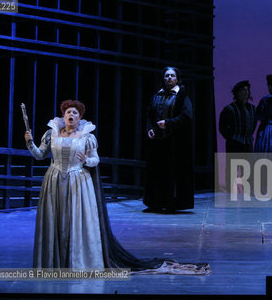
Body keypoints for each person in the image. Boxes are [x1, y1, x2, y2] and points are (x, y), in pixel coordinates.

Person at [25, 100, 210, 273]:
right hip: (54, 181)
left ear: (80, 117)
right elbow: (40, 155)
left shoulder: (87, 136)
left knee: (76, 221)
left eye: (75, 112)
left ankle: (77, 262)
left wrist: (87, 160)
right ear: (63, 116)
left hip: (78, 183)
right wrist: (30, 143)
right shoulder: (52, 134)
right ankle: (54, 262)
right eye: (68, 112)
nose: (71, 115)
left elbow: (96, 159)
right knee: (55, 219)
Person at [144, 67, 194, 213]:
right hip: (158, 141)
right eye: (167, 76)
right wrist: (150, 128)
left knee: (172, 173)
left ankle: (172, 203)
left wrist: (169, 123)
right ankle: (156, 202)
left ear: (177, 79)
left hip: (175, 141)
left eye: (172, 76)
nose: (169, 78)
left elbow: (187, 117)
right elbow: (149, 115)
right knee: (157, 172)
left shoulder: (182, 95)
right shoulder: (157, 95)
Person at [219, 80, 256, 153]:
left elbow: (254, 124)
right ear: (237, 93)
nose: (246, 92)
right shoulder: (230, 109)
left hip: (248, 144)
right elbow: (222, 127)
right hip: (234, 144)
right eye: (243, 90)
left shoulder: (252, 108)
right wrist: (231, 138)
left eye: (247, 90)